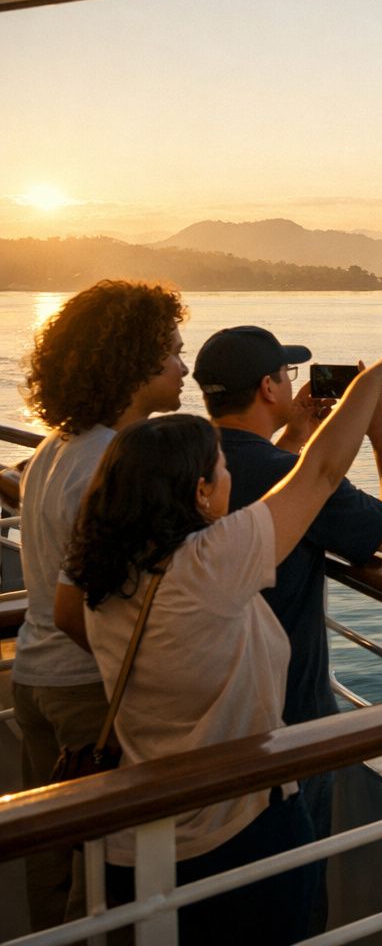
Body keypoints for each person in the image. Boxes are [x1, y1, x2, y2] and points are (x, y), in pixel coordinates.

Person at [65, 344, 382, 945]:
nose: (235, 477)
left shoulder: (111, 568)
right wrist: (376, 383)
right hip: (239, 829)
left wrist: (299, 425)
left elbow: (304, 469)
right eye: (222, 470)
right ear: (202, 495)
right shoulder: (210, 564)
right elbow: (318, 473)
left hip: (137, 831)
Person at [193, 325, 382, 924]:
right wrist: (378, 435)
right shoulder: (287, 478)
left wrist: (297, 435)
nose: (294, 384)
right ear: (269, 386)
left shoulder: (184, 469)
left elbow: (288, 475)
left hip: (195, 728)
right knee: (290, 896)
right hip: (286, 728)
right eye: (287, 375)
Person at [10, 280, 187, 931]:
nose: (183, 366)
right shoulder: (109, 462)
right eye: (171, 351)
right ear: (134, 362)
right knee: (100, 880)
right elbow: (74, 607)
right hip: (86, 691)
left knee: (52, 858)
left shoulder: (59, 447)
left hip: (35, 678)